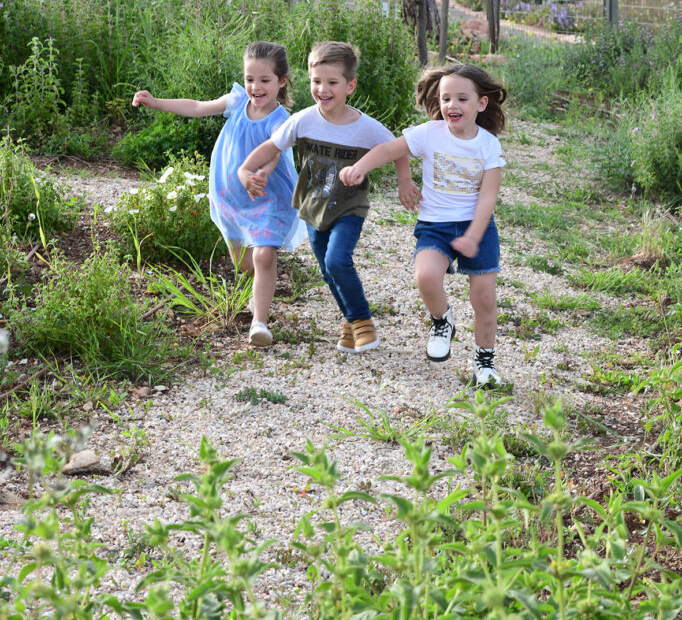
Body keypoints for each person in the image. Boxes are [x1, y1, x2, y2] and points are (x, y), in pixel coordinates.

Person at [238, 41, 420, 354]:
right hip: (313, 207)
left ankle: (361, 320)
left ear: (350, 86)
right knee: (328, 269)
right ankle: (350, 323)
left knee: (337, 260)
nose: (323, 89)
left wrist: (405, 181)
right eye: (316, 81)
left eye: (332, 82)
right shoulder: (304, 120)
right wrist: (245, 169)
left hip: (350, 207)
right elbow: (272, 146)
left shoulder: (365, 128)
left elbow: (398, 149)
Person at [339, 63, 506, 387]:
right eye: (446, 98)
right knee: (426, 276)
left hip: (478, 227)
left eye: (462, 99)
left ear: (481, 103)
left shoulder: (488, 145)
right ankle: (442, 321)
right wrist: (360, 167)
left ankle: (484, 361)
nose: (452, 105)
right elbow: (388, 149)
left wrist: (473, 236)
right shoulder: (429, 133)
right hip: (435, 225)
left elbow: (488, 197)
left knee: (484, 299)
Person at [132, 41, 305, 349]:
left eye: (264, 80)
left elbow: (274, 154)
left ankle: (259, 323)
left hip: (267, 197)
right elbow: (197, 107)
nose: (255, 87)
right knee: (244, 265)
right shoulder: (237, 101)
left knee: (264, 255)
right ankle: (257, 293)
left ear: (282, 81)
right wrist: (156, 102)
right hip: (232, 197)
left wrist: (261, 172)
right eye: (250, 78)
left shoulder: (281, 120)